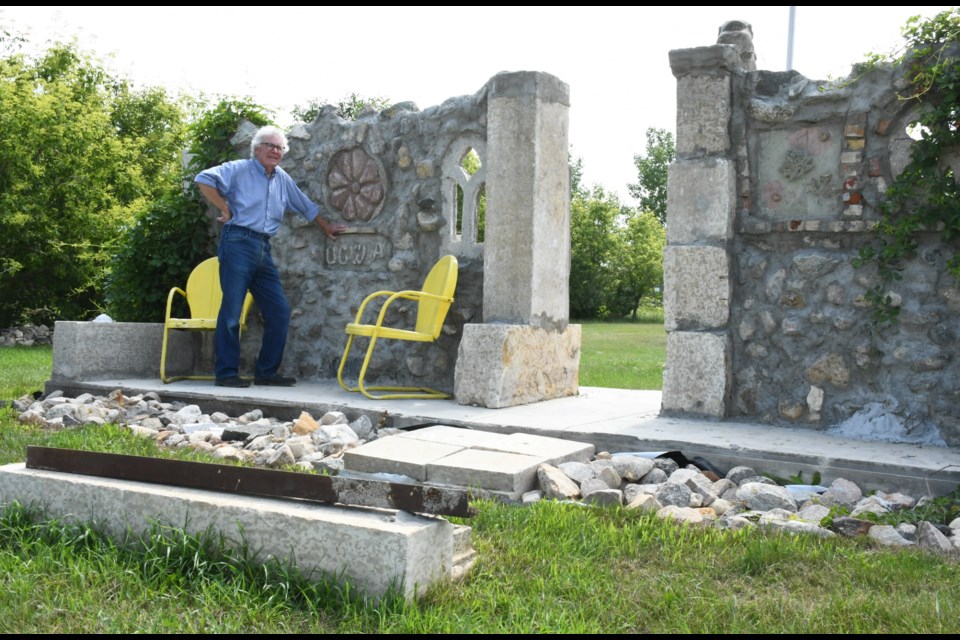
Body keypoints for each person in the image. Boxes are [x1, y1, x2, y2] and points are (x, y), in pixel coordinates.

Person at [195, 125, 346, 388]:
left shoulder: (282, 178)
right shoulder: (239, 169)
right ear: (257, 149)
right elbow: (203, 178)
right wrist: (224, 207)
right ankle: (226, 373)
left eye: (280, 147)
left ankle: (266, 372)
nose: (275, 151)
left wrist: (326, 227)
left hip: (263, 248)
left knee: (279, 311)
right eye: (270, 145)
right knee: (231, 311)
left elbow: (304, 205)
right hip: (238, 242)